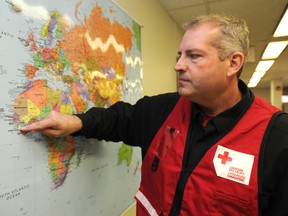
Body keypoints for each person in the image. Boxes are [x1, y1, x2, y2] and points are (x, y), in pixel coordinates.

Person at [20, 14, 288, 216]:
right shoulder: (164, 110)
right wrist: (77, 122)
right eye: (179, 55)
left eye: (193, 56)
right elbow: (120, 119)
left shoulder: (276, 137)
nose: (178, 66)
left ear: (233, 63)